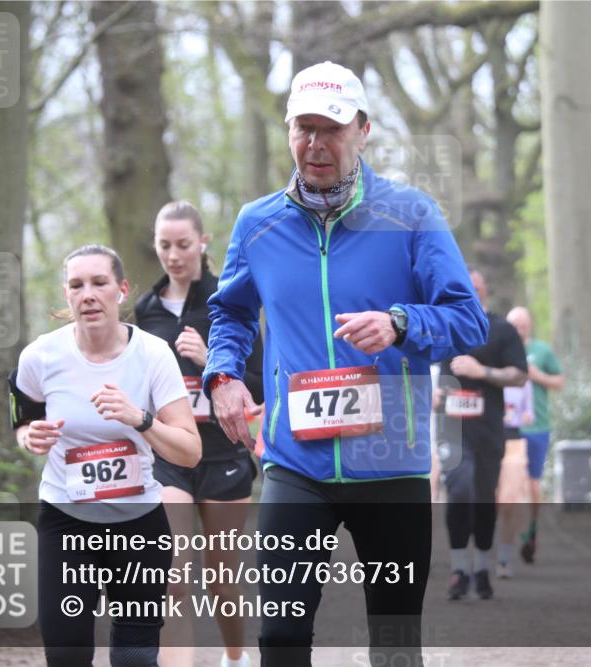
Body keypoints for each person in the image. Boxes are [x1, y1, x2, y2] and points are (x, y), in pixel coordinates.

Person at [201, 61, 488, 666]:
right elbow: (228, 314)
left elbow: (468, 319)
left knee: (393, 644)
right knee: (278, 639)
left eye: (331, 128)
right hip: (294, 463)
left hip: (391, 467)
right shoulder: (259, 224)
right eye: (303, 128)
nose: (315, 143)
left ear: (363, 130)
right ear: (287, 132)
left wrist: (402, 323)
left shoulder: (411, 215)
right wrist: (223, 375)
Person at [9, 244, 202, 667]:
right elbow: (23, 421)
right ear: (66, 294)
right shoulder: (40, 356)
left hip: (139, 526)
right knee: (66, 654)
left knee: (135, 659)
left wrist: (140, 419)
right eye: (77, 285)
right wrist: (30, 437)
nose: (88, 294)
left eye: (99, 283)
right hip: (65, 522)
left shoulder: (153, 354)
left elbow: (190, 452)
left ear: (122, 290)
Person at [135, 201, 264, 667]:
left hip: (224, 454)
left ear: (203, 243)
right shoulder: (144, 311)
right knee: (172, 575)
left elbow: (259, 386)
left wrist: (210, 355)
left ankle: (235, 657)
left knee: (222, 579)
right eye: (164, 245)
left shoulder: (229, 302)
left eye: (183, 245)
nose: (173, 255)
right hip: (171, 457)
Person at [437, 269, 527, 601]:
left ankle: (481, 567)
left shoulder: (501, 330)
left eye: (475, 288)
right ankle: (459, 569)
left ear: (484, 292)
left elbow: (519, 376)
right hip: (451, 427)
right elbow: (417, 364)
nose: (469, 293)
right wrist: (429, 395)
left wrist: (481, 372)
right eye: (463, 287)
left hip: (488, 428)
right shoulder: (443, 326)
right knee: (459, 487)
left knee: (484, 495)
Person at [506, 306, 565, 564]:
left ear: (529, 326)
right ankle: (513, 533)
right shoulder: (502, 350)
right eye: (514, 326)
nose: (519, 330)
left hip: (537, 425)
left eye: (523, 325)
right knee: (510, 484)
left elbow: (560, 382)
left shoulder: (542, 351)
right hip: (507, 428)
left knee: (532, 483)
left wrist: (536, 375)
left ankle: (531, 529)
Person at [494, 378, 535, 578]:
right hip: (485, 439)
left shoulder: (522, 380)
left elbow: (529, 412)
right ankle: (478, 558)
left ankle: (503, 559)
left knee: (509, 504)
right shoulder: (482, 372)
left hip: (514, 441)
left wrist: (526, 415)